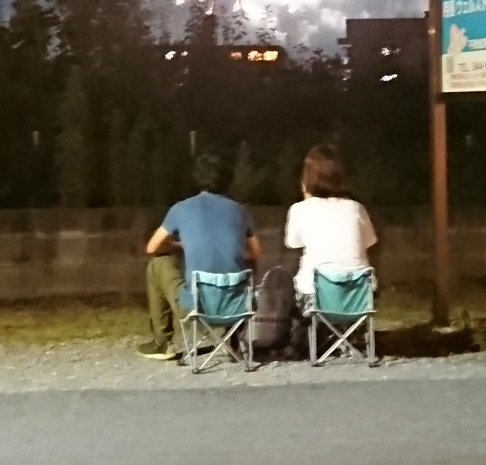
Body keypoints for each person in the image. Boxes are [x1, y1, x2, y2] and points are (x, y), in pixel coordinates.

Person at [139, 152, 261, 359]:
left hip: (196, 306)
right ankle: (233, 336)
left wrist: (178, 244)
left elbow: (151, 248)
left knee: (158, 264)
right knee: (246, 264)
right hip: (237, 306)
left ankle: (162, 342)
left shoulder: (180, 208)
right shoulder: (239, 210)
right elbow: (256, 253)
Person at [284, 144, 378, 303]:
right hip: (358, 295)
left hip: (315, 293)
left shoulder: (300, 209)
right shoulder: (356, 208)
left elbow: (292, 243)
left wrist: (308, 198)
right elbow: (370, 241)